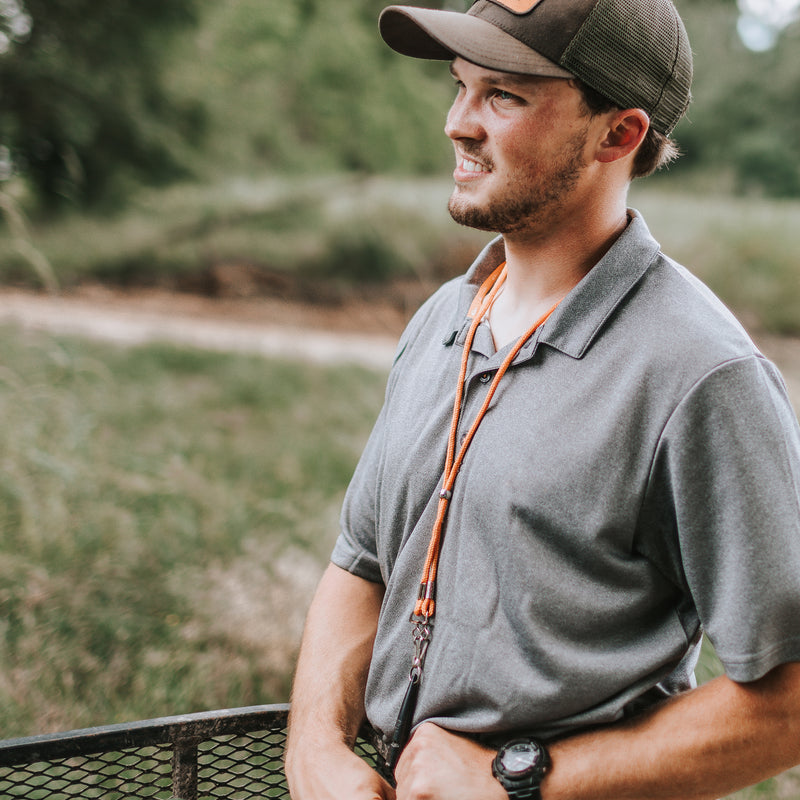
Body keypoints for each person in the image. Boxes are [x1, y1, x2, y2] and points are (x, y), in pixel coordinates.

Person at [284, 0, 800, 797]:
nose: (458, 124)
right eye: (459, 87)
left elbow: (791, 701)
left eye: (504, 96)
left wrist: (521, 776)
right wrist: (316, 751)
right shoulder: (442, 320)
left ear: (618, 134)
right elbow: (360, 567)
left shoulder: (702, 375)